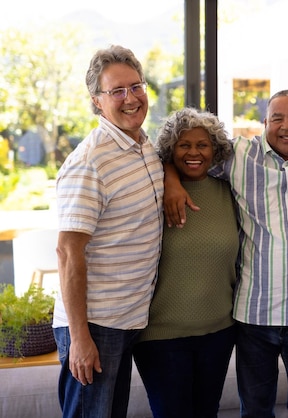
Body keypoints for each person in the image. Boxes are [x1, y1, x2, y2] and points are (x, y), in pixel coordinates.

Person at [163, 90, 288, 417]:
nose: (286, 126)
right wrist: (171, 181)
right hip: (254, 318)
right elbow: (180, 153)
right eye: (277, 118)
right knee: (255, 412)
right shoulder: (237, 156)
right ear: (264, 123)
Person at [53, 45, 164, 418]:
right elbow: (68, 253)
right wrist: (80, 338)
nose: (130, 98)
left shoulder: (143, 145)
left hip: (128, 319)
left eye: (136, 86)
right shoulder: (89, 162)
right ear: (97, 102)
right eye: (117, 91)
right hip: (95, 324)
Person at [132, 107, 238, 417]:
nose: (194, 152)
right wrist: (169, 177)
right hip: (160, 336)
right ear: (170, 151)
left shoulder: (230, 192)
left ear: (214, 149)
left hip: (219, 332)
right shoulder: (154, 191)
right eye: (184, 145)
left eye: (202, 145)